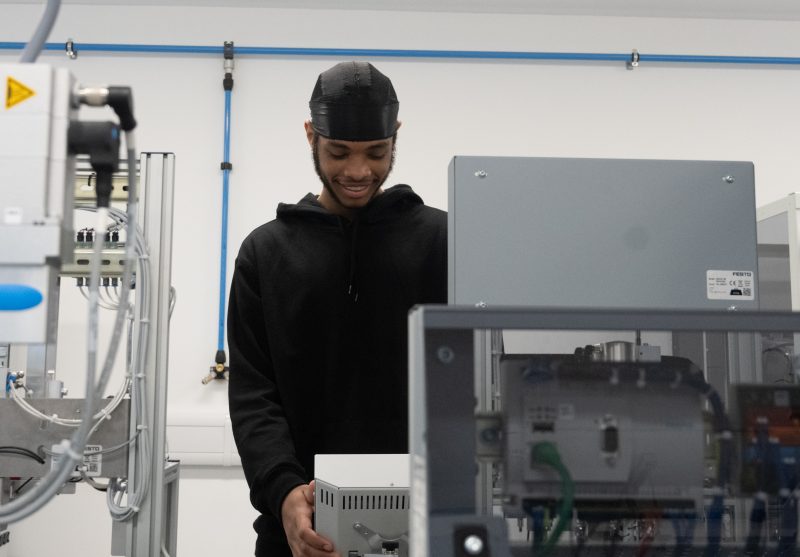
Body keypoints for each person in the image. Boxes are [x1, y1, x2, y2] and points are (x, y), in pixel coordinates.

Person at [227, 61, 447, 557]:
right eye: (338, 152)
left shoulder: (444, 242)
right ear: (311, 135)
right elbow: (254, 397)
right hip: (300, 535)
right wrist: (283, 493)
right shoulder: (265, 253)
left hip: (427, 529)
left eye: (376, 152)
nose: (357, 171)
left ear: (395, 136)